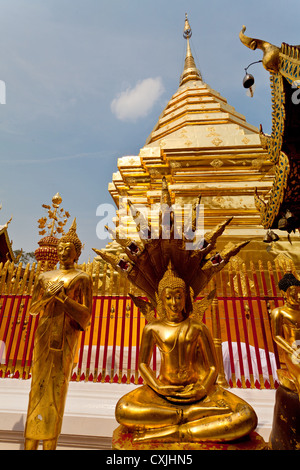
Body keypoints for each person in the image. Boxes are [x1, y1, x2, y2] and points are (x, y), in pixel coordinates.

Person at [116, 263, 257, 443]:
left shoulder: (198, 327)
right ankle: (189, 417)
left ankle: (176, 431)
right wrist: (158, 387)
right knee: (123, 409)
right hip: (163, 393)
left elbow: (213, 367)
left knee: (246, 416)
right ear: (161, 299)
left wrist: (202, 388)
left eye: (179, 297)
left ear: (186, 298)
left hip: (198, 393)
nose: (174, 303)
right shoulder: (153, 328)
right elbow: (143, 364)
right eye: (169, 298)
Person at [24, 220, 92, 450]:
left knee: (57, 386)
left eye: (68, 248)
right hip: (44, 332)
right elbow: (33, 309)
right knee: (37, 385)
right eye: (61, 247)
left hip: (66, 335)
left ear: (77, 253)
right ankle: (30, 441)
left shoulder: (82, 278)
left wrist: (63, 298)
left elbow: (86, 316)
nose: (63, 251)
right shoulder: (44, 277)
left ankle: (50, 442)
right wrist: (48, 297)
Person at [271, 272, 300, 396]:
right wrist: (292, 350)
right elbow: (276, 336)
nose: (298, 295)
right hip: (293, 351)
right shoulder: (279, 312)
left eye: (299, 291)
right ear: (284, 293)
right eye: (294, 291)